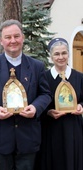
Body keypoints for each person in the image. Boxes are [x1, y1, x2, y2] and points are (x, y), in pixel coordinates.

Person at [0, 19, 52, 170]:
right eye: (8, 37)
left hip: (28, 138)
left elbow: (46, 94)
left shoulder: (37, 66)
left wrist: (35, 108)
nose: (13, 41)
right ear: (1, 41)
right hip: (0, 138)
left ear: (22, 38)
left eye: (16, 36)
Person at [37, 38, 83, 170]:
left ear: (68, 54)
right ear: (51, 57)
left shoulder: (79, 77)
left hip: (73, 128)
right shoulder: (44, 78)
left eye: (64, 53)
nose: (61, 57)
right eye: (57, 54)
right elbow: (39, 101)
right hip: (52, 129)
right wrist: (48, 112)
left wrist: (81, 106)